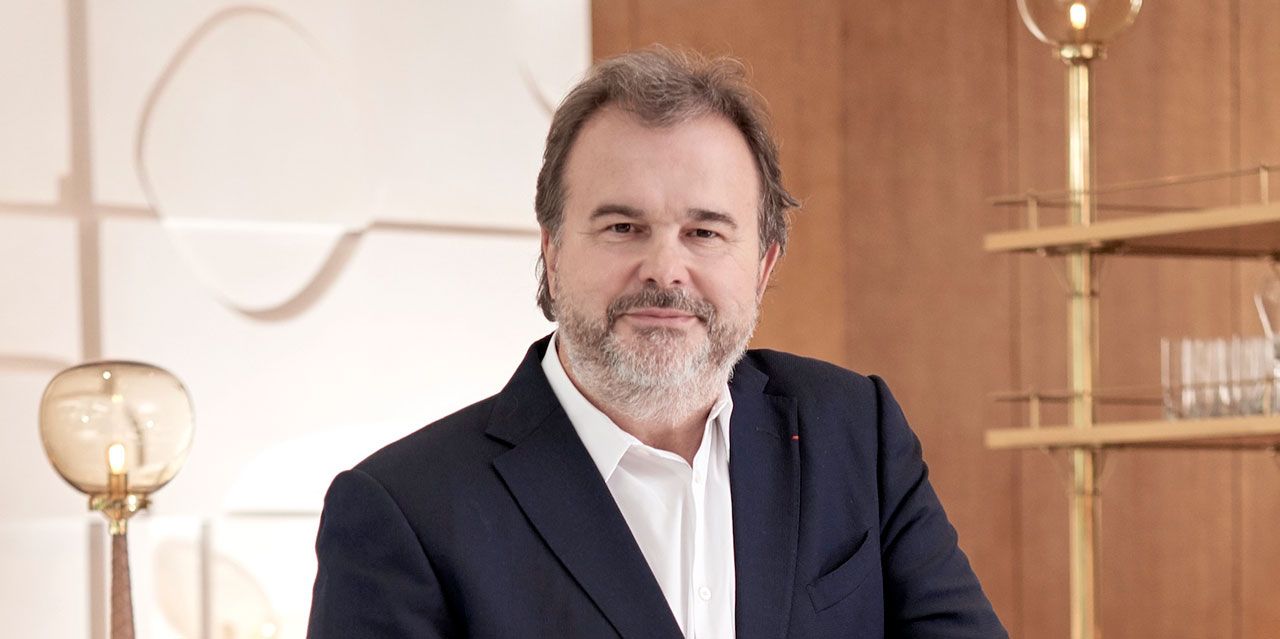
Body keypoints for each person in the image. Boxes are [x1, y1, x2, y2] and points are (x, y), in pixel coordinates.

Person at [307, 47, 1007, 639]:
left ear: (764, 265)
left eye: (704, 232)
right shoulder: (404, 512)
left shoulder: (854, 431)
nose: (665, 269)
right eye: (622, 228)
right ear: (552, 251)